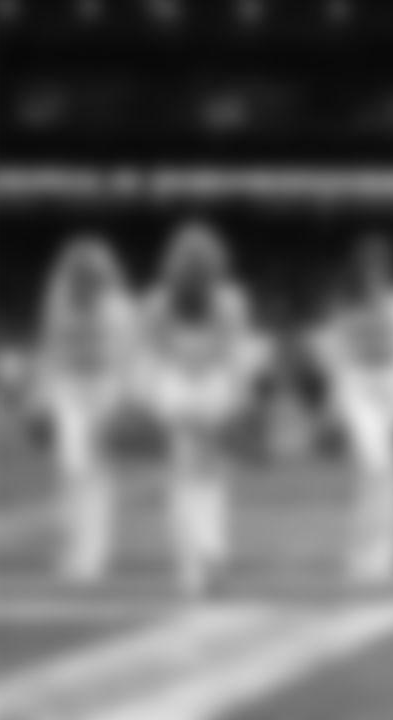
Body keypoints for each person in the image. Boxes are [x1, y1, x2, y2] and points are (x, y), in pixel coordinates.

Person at [141, 221, 268, 595]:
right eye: (189, 259)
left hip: (212, 388)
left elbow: (235, 353)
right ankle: (201, 558)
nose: (196, 266)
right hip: (177, 388)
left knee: (204, 476)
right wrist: (164, 396)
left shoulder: (230, 301)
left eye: (203, 260)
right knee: (190, 474)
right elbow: (151, 354)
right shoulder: (158, 303)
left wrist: (237, 398)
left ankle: (205, 557)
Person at [308, 234, 393, 584]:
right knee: (378, 465)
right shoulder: (344, 305)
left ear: (391, 271)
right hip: (360, 390)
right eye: (370, 267)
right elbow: (334, 354)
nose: (377, 274)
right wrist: (332, 403)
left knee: (383, 475)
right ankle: (366, 552)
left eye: (383, 268)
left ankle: (378, 556)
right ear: (359, 270)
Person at [32, 235, 139, 585]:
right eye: (81, 275)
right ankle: (69, 546)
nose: (87, 282)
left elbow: (127, 359)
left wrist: (124, 402)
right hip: (69, 389)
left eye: (93, 277)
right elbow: (49, 348)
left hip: (104, 390)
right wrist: (41, 395)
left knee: (96, 474)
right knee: (72, 468)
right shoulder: (58, 299)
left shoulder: (118, 307)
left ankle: (91, 558)